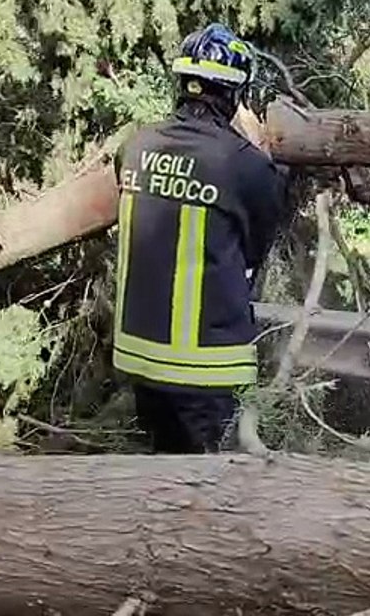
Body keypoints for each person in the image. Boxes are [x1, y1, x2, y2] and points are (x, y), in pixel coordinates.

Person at [112, 23, 289, 454]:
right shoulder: (247, 166)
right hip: (205, 365)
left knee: (162, 467)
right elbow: (254, 251)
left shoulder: (134, 146)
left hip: (138, 358)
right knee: (206, 480)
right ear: (235, 94)